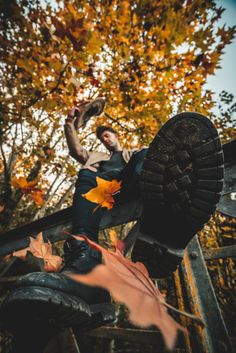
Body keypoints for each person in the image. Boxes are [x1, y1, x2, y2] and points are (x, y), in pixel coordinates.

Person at [0, 99, 224, 348]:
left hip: (135, 178)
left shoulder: (131, 153)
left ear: (115, 136)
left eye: (108, 135)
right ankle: (85, 267)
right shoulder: (96, 157)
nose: (106, 140)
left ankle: (162, 221)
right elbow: (76, 150)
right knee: (87, 175)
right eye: (102, 138)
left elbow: (155, 161)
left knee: (148, 157)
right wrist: (70, 123)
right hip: (103, 189)